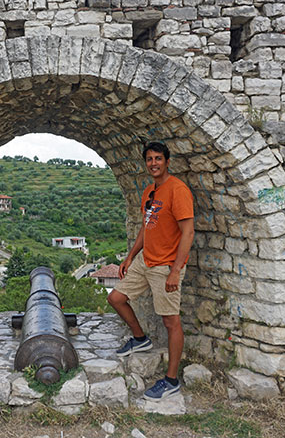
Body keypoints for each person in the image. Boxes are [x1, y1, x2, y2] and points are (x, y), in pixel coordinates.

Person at [107, 141, 195, 401]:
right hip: (145, 261)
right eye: (149, 159)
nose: (153, 163)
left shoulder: (177, 190)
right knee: (116, 298)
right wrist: (130, 256)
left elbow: (188, 232)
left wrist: (175, 271)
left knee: (171, 321)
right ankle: (139, 337)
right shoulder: (150, 191)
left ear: (167, 161)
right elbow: (147, 227)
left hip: (166, 266)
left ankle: (171, 380)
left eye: (158, 158)